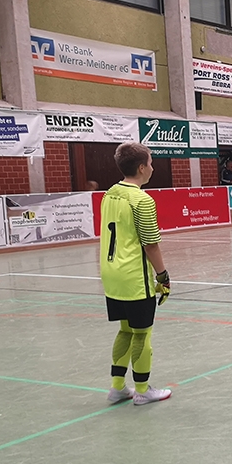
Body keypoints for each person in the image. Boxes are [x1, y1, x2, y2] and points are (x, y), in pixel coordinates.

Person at [99, 142, 171, 406]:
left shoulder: (109, 194)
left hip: (111, 275)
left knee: (125, 330)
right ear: (141, 168)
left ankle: (117, 387)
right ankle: (142, 390)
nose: (153, 168)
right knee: (142, 334)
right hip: (134, 277)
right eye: (150, 163)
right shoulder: (142, 200)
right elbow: (150, 244)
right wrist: (162, 276)